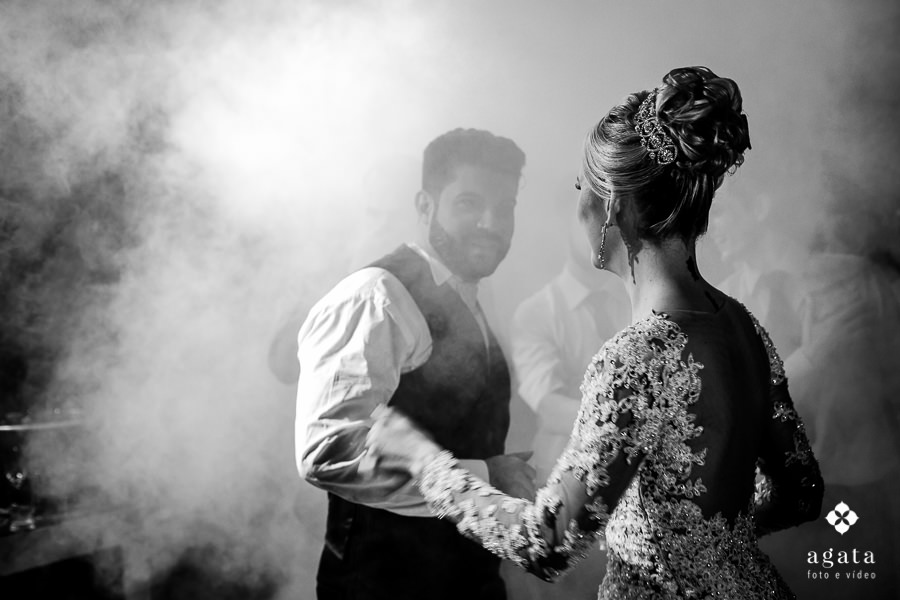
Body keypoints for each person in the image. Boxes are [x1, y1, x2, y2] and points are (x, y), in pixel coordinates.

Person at [366, 67, 824, 600]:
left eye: (579, 188)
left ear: (610, 207)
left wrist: (424, 463)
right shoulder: (741, 325)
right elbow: (801, 494)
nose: (576, 205)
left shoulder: (634, 358)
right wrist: (709, 544)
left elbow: (546, 543)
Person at [295, 128, 535, 600]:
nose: (491, 223)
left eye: (504, 207)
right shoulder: (377, 296)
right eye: (469, 203)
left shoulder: (469, 296)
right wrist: (487, 476)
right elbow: (328, 450)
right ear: (425, 206)